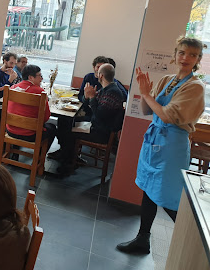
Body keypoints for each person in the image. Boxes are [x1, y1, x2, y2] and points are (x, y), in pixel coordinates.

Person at [117, 36, 205, 255]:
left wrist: (147, 94)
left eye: (192, 55)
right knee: (148, 190)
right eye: (182, 52)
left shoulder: (195, 87)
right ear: (175, 54)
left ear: (198, 60)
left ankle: (200, 247)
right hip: (154, 143)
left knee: (169, 198)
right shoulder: (167, 80)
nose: (186, 58)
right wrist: (142, 92)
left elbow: (166, 116)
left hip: (172, 148)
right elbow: (149, 111)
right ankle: (142, 238)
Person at [55, 63, 125, 174]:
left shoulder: (112, 92)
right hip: (96, 125)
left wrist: (92, 97)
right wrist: (88, 96)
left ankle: (68, 164)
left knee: (68, 131)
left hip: (100, 132)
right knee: (65, 121)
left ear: (101, 76)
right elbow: (87, 100)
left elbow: (99, 114)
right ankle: (66, 155)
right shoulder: (106, 88)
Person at [7, 64, 56, 143]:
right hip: (29, 134)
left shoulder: (13, 88)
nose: (41, 78)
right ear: (30, 77)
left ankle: (14, 153)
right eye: (39, 76)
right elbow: (46, 117)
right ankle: (40, 155)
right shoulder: (40, 92)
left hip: (10, 130)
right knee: (52, 128)